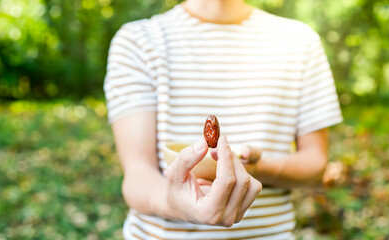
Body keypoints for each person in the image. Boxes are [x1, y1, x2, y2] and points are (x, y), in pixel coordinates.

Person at [104, 0, 343, 239]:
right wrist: (174, 202)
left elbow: (315, 163)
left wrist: (256, 168)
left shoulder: (300, 42)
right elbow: (137, 174)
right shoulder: (138, 40)